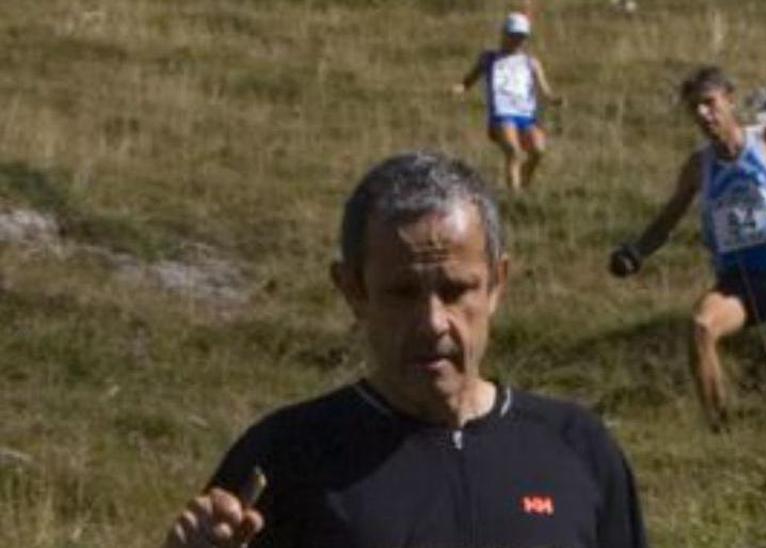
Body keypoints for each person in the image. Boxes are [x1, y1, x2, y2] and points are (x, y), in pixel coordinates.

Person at [163, 152, 646, 547]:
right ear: (353, 289)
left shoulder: (576, 448)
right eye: (402, 293)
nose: (433, 322)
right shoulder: (289, 455)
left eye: (456, 290)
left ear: (497, 283)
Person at [608, 66, 766, 434]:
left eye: (710, 103)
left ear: (730, 100)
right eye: (695, 109)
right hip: (735, 281)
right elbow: (668, 218)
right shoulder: (698, 166)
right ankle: (721, 431)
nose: (704, 115)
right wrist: (636, 253)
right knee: (701, 326)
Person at [453, 12, 561, 191]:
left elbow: (545, 90)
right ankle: (514, 197)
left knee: (538, 150)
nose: (517, 40)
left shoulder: (531, 62)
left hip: (526, 115)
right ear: (504, 34)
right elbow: (469, 80)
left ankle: (524, 184)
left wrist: (553, 99)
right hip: (502, 114)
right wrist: (460, 88)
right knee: (514, 152)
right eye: (514, 35)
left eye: (521, 37)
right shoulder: (489, 58)